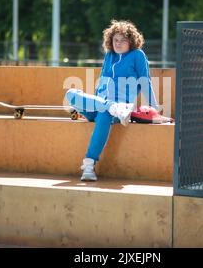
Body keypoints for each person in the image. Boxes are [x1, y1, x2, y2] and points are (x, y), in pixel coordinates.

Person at [65, 19, 159, 181]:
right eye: (116, 40)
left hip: (120, 108)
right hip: (102, 104)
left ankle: (89, 165)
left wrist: (155, 109)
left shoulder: (137, 55)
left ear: (131, 41)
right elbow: (102, 82)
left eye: (123, 40)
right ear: (110, 40)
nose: (118, 43)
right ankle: (111, 107)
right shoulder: (109, 55)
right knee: (71, 94)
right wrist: (95, 102)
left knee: (104, 114)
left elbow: (145, 81)